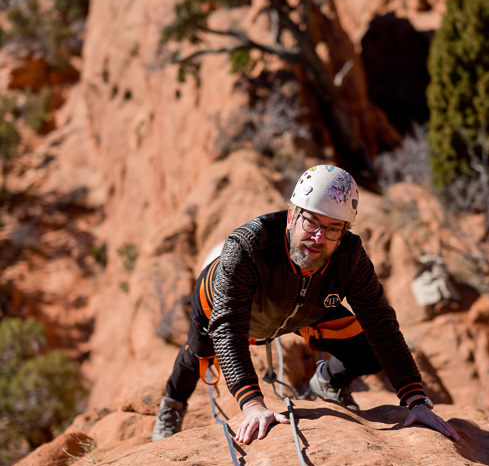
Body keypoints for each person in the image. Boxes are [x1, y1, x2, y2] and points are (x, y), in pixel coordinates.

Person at [152, 164, 458, 444]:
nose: (318, 237)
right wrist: (254, 405)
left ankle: (327, 381)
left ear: (343, 234)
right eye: (311, 222)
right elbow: (229, 327)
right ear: (291, 216)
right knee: (198, 354)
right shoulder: (246, 246)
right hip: (221, 306)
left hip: (304, 310)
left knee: (370, 352)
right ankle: (172, 405)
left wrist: (416, 400)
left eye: (332, 229)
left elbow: (381, 323)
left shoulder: (350, 257)